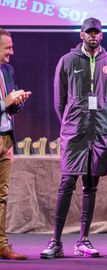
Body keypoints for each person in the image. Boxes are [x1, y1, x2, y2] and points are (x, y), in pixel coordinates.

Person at [40, 17, 107, 259]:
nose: (93, 35)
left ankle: (83, 241)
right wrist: (72, 122)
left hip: (98, 134)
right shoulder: (67, 61)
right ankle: (55, 241)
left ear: (102, 35)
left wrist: (103, 122)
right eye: (89, 32)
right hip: (74, 134)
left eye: (97, 32)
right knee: (66, 186)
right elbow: (59, 102)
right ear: (81, 34)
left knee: (91, 187)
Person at [0, 28, 31, 259]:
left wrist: (17, 101)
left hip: (6, 139)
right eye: (7, 47)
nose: (12, 52)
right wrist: (5, 102)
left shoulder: (8, 70)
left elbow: (10, 103)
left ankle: (1, 244)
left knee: (2, 196)